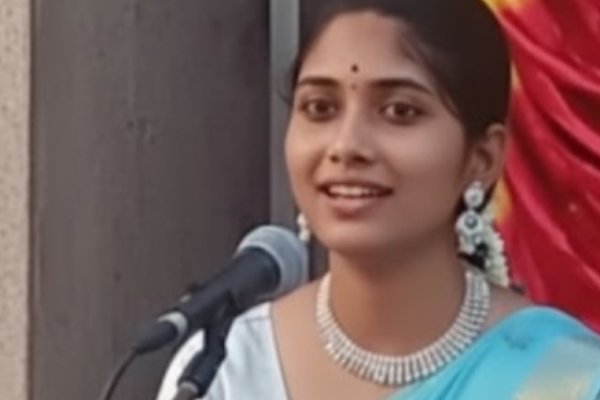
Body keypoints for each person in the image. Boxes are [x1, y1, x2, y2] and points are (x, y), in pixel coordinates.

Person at [156, 0, 600, 399]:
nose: (346, 145)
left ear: (481, 159)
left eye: (399, 111)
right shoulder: (223, 369)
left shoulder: (562, 379)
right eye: (320, 108)